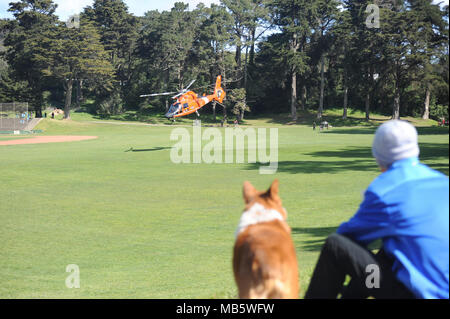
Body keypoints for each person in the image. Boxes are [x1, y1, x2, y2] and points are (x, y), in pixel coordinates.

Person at [305, 120, 449, 299]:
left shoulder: (386, 189)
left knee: (335, 245)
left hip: (416, 294)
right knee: (388, 251)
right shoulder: (443, 182)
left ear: (378, 154)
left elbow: (348, 238)